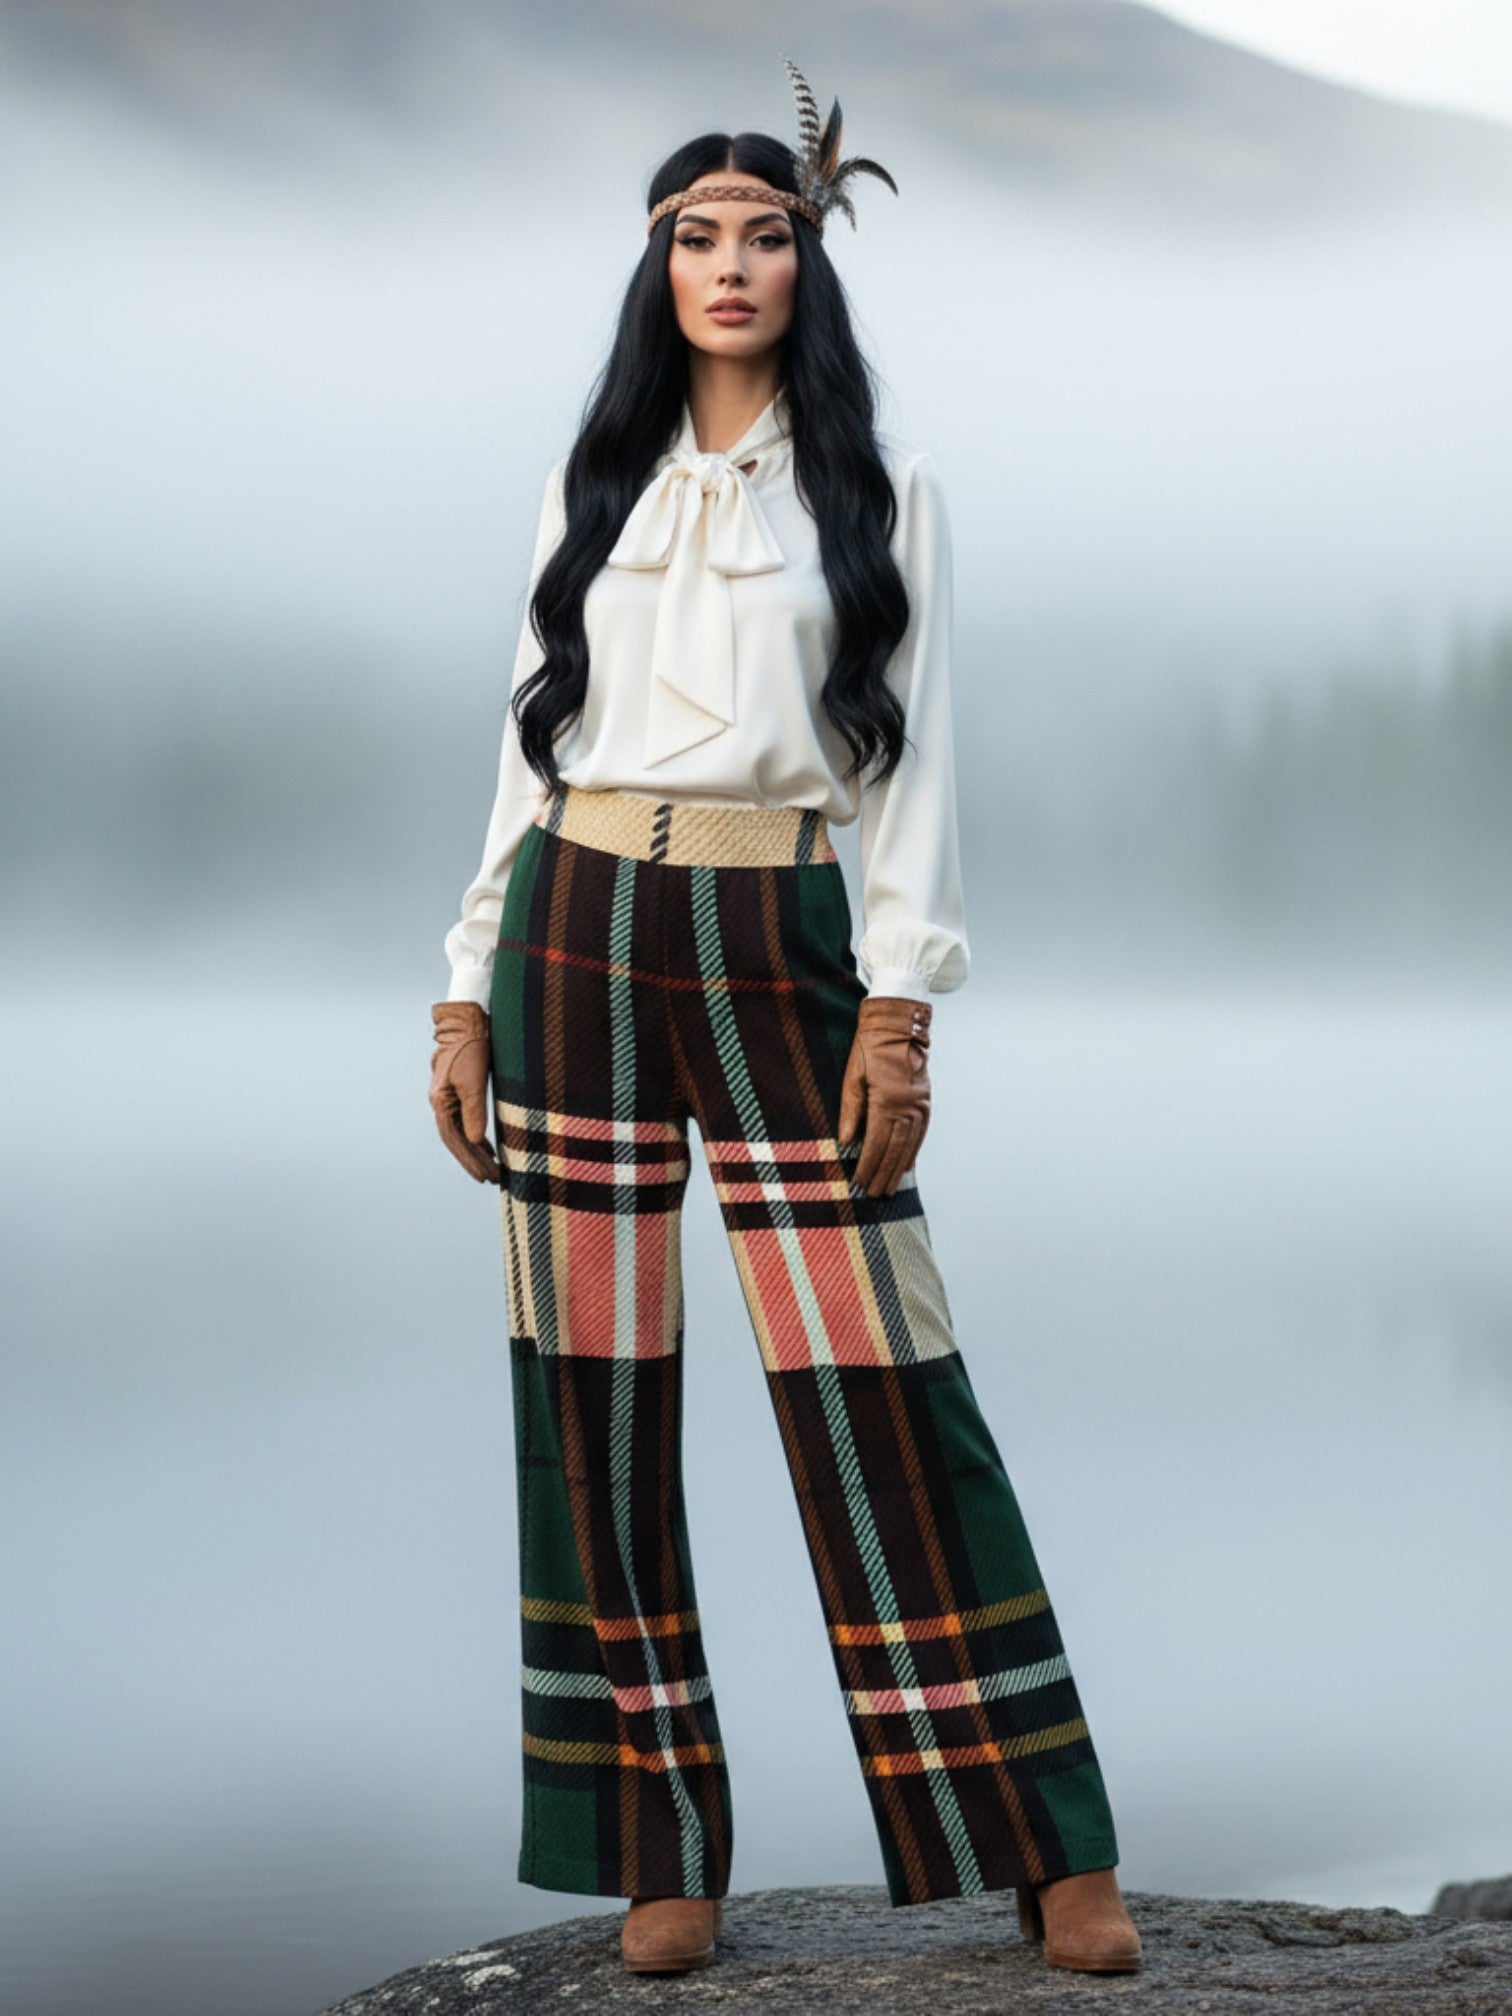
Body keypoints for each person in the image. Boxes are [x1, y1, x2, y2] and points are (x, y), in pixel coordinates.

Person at [428, 56, 1141, 1981]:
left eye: (762, 236)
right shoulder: (593, 489)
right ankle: (655, 1842)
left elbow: (912, 779)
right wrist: (458, 985)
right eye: (694, 237)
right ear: (656, 270)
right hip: (570, 929)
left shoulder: (876, 492)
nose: (728, 265)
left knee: (881, 1383)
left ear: (808, 268)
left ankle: (1040, 1841)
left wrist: (898, 1017)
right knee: (588, 1384)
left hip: (780, 930)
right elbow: (526, 749)